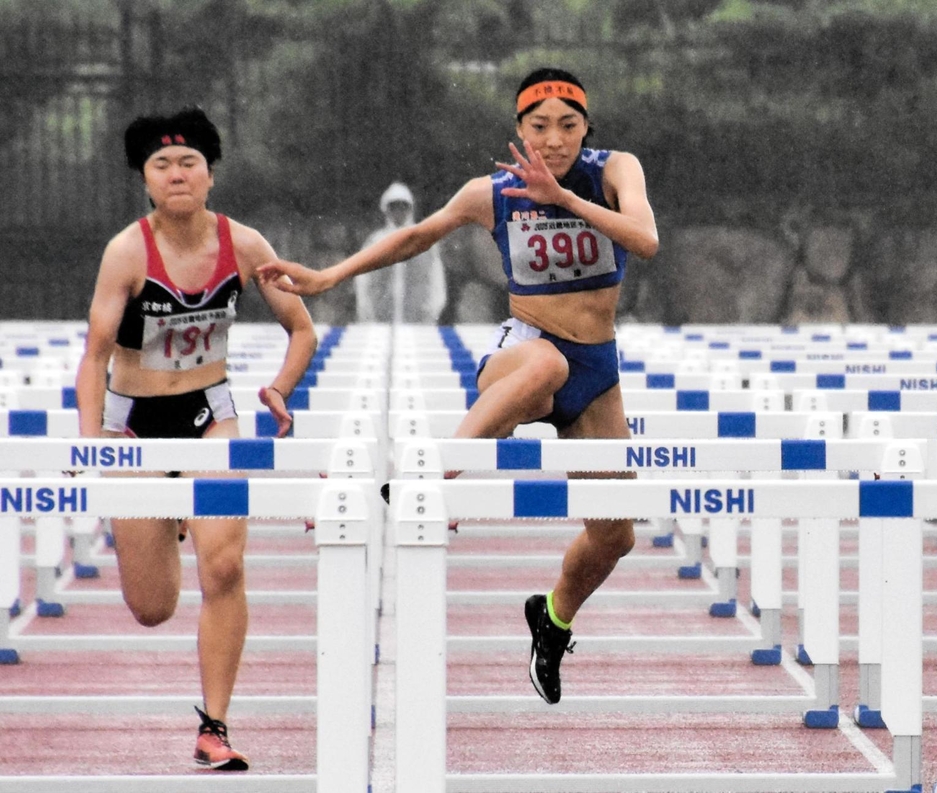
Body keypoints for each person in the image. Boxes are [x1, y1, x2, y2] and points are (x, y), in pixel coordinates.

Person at [257, 68, 659, 704]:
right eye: (539, 126)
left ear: (587, 128)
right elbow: (417, 236)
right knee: (547, 366)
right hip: (522, 353)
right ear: (518, 129)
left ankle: (552, 617)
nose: (554, 139)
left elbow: (646, 239)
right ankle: (432, 474)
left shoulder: (614, 171)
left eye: (569, 126)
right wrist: (330, 276)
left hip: (597, 369)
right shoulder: (490, 193)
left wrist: (564, 198)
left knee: (615, 536)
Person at [75, 107, 317, 770]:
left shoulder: (246, 245)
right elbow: (94, 355)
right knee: (152, 607)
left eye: (189, 163)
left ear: (210, 175)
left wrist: (280, 387)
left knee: (225, 566)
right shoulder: (127, 252)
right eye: (163, 165)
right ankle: (172, 518)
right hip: (134, 424)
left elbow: (302, 328)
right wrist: (90, 445)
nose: (177, 174)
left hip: (211, 414)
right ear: (145, 179)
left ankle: (215, 725)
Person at [354, 181, 447, 323]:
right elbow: (363, 281)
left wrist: (431, 312)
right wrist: (367, 312)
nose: (399, 211)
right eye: (394, 207)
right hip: (380, 321)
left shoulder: (424, 241)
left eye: (403, 206)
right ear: (386, 209)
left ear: (410, 209)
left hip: (418, 321)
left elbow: (436, 279)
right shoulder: (375, 241)